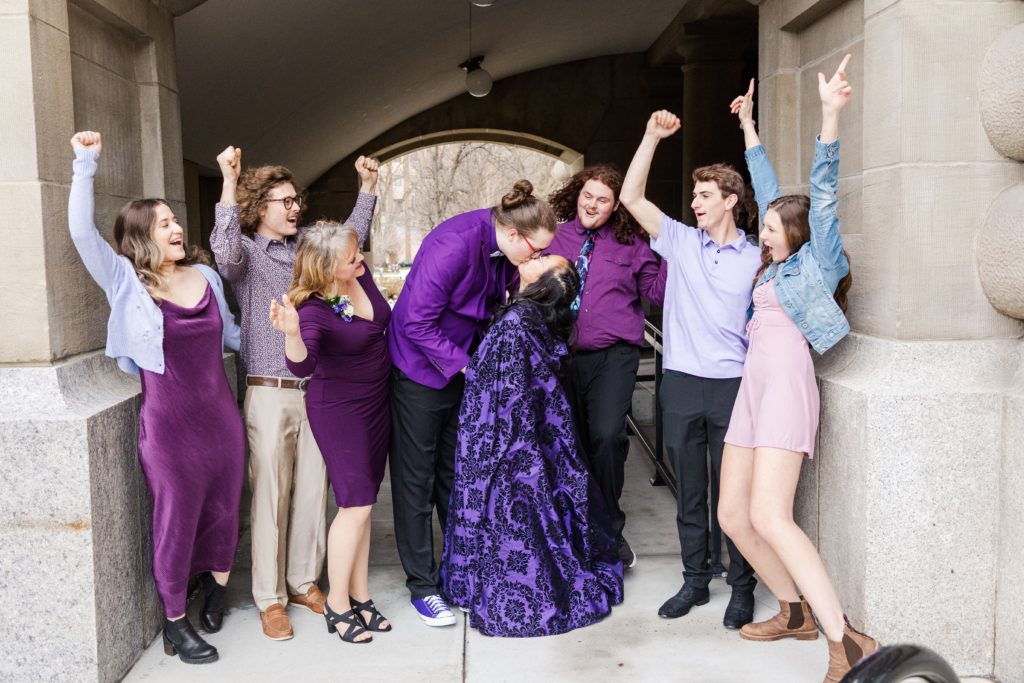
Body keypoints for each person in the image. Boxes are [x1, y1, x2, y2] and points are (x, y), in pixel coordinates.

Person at [717, 57, 879, 683]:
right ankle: (793, 611)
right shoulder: (774, 266)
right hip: (752, 390)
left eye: (774, 222)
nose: (763, 227)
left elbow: (824, 188)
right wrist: (750, 127)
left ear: (798, 230)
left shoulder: (819, 261)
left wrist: (831, 116)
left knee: (771, 516)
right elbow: (765, 184)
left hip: (786, 387)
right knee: (735, 514)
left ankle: (847, 639)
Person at [67, 131, 244, 664]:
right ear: (142, 236)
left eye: (175, 220)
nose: (176, 227)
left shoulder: (207, 275)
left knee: (223, 510)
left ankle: (214, 587)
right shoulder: (126, 281)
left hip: (222, 420)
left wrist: (293, 332)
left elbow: (235, 336)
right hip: (169, 428)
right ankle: (174, 622)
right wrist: (85, 164)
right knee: (176, 519)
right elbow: (82, 234)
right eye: (164, 222)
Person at [210, 147, 378, 640]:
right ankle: (270, 598)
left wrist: (367, 188)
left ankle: (305, 582)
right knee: (269, 496)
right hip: (269, 391)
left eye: (295, 200)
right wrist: (228, 179)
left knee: (313, 492)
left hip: (319, 389)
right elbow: (222, 252)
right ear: (259, 207)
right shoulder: (245, 255)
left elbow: (348, 243)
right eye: (283, 201)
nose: (294, 208)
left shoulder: (309, 249)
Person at [388, 180, 558, 626]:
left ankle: (458, 575)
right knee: (415, 481)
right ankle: (422, 587)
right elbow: (415, 322)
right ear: (515, 235)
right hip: (420, 372)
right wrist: (471, 368)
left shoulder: (503, 249)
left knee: (456, 474)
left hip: (461, 370)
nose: (535, 259)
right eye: (535, 250)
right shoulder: (454, 244)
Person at [620, 113, 761, 629]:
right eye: (694, 194)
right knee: (690, 492)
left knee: (733, 496)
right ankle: (695, 581)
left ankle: (741, 588)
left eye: (705, 194)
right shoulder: (680, 242)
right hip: (680, 382)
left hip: (734, 387)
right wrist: (651, 136)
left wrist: (749, 129)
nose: (695, 201)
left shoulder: (756, 256)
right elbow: (632, 198)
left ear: (730, 200)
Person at [441, 254, 624, 636]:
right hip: (527, 435)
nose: (535, 255)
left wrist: (500, 453)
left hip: (505, 438)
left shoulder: (514, 325)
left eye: (543, 260)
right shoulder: (529, 320)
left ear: (542, 286)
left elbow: (507, 396)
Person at [269, 222, 392, 645]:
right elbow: (301, 366)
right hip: (339, 410)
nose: (360, 259)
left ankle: (361, 594)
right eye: (351, 257)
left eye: (358, 251)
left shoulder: (359, 276)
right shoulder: (313, 311)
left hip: (377, 404)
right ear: (325, 269)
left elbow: (378, 328)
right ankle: (337, 603)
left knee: (366, 503)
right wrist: (290, 335)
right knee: (354, 505)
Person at [545, 165, 667, 568]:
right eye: (588, 195)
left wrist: (669, 247)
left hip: (615, 355)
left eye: (602, 200)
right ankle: (576, 527)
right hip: (563, 357)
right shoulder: (555, 238)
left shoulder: (632, 243)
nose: (592, 204)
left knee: (606, 436)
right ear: (577, 193)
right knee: (570, 443)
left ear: (616, 207)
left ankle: (609, 530)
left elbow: (657, 292)